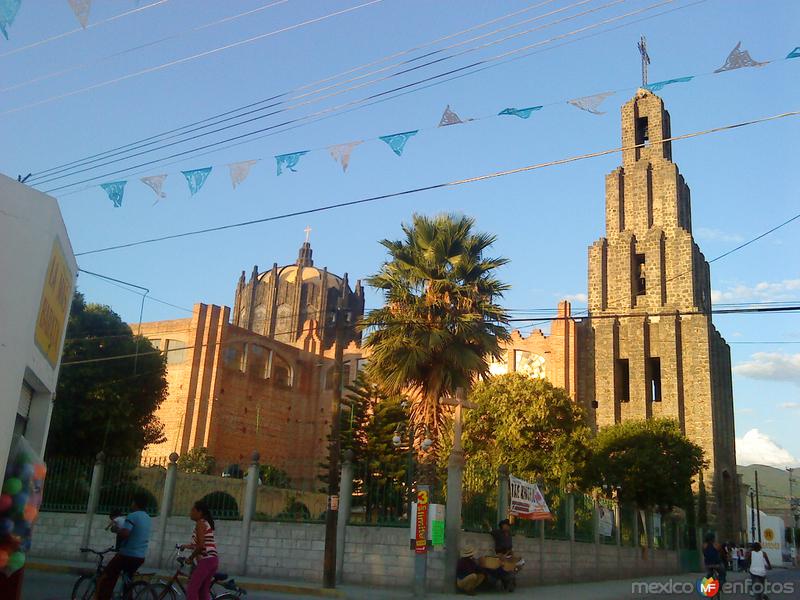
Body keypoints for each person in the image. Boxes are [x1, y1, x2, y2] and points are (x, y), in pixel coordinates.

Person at [96, 493, 152, 600]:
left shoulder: (132, 515)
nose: (131, 504)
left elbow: (126, 533)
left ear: (135, 503)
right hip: (140, 556)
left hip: (127, 554)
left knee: (107, 577)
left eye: (132, 502)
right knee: (127, 580)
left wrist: (116, 529)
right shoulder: (148, 518)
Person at [180, 500, 219, 600]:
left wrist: (190, 558)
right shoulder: (204, 523)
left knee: (191, 590)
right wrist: (185, 546)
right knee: (202, 591)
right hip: (212, 560)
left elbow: (201, 546)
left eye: (193, 510)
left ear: (199, 512)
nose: (190, 512)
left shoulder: (200, 523)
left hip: (206, 560)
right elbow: (198, 544)